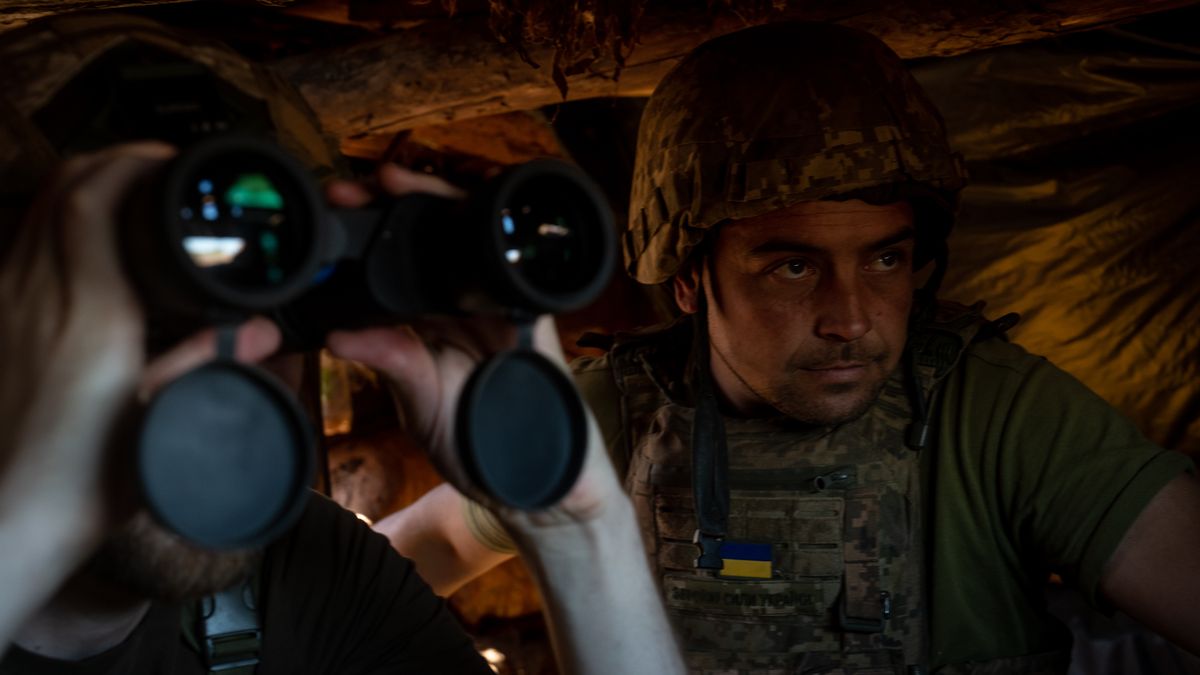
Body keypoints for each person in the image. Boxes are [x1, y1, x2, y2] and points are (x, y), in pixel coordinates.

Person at [377, 21, 1200, 674]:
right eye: (794, 266)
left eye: (885, 258)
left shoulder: (996, 412)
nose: (852, 316)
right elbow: (438, 541)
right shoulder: (606, 412)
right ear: (692, 281)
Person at [0, 141, 686, 674]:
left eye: (270, 304)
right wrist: (35, 501)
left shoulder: (308, 565)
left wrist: (575, 527)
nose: (224, 373)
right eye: (149, 318)